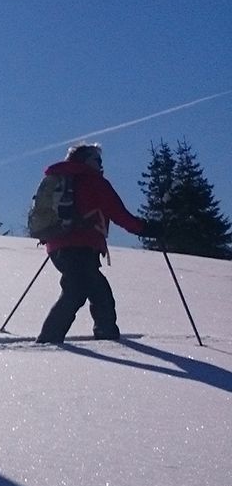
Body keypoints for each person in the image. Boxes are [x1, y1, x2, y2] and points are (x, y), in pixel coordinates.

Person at [35, 144, 162, 343]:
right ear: (85, 160)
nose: (101, 165)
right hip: (82, 245)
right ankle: (50, 339)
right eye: (97, 160)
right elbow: (118, 213)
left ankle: (105, 334)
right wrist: (145, 229)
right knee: (78, 292)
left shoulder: (60, 178)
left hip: (56, 245)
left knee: (95, 290)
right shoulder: (94, 181)